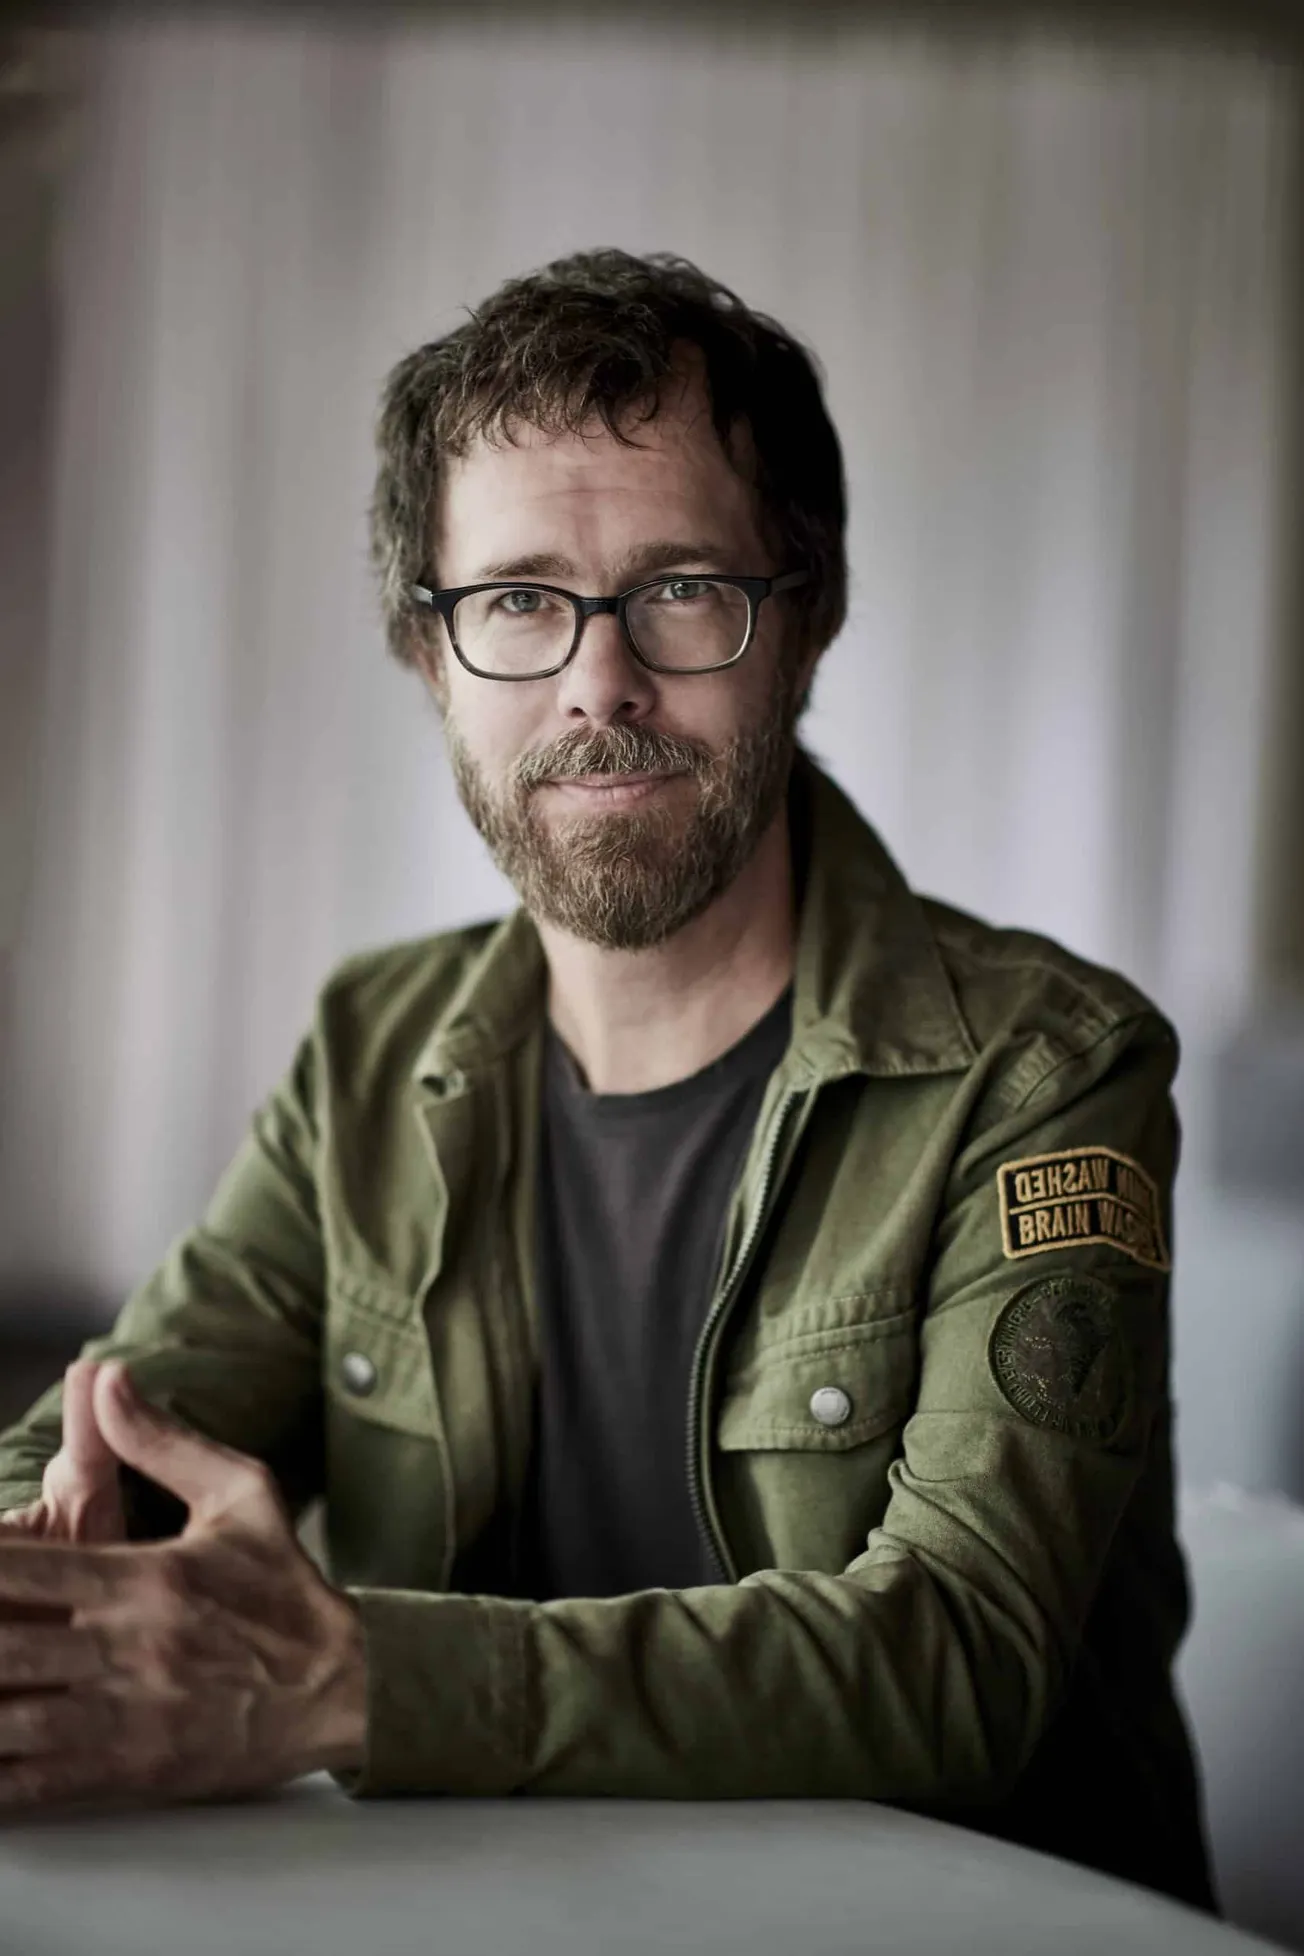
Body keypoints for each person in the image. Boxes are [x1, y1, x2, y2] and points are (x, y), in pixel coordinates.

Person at [0, 248, 1216, 1910]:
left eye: (680, 589)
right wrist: (49, 1561)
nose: (598, 682)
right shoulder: (372, 1047)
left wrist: (354, 1678)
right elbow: (115, 1427)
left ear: (808, 620)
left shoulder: (1050, 1072)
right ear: (428, 655)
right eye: (516, 599)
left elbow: (962, 1656)